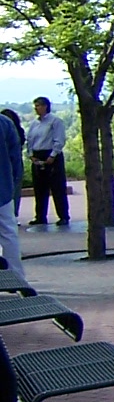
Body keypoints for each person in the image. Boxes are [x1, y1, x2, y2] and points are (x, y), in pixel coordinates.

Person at [24, 97, 69, 227]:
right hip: (38, 155)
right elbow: (30, 140)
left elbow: (59, 139)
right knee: (39, 188)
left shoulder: (55, 121)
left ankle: (63, 216)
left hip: (51, 155)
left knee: (57, 187)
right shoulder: (34, 124)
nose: (36, 108)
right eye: (35, 106)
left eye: (38, 105)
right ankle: (40, 216)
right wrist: (31, 155)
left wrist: (53, 155)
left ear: (45, 106)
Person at [0, 108, 24, 281]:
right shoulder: (5, 123)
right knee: (9, 233)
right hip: (3, 188)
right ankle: (17, 278)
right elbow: (16, 159)